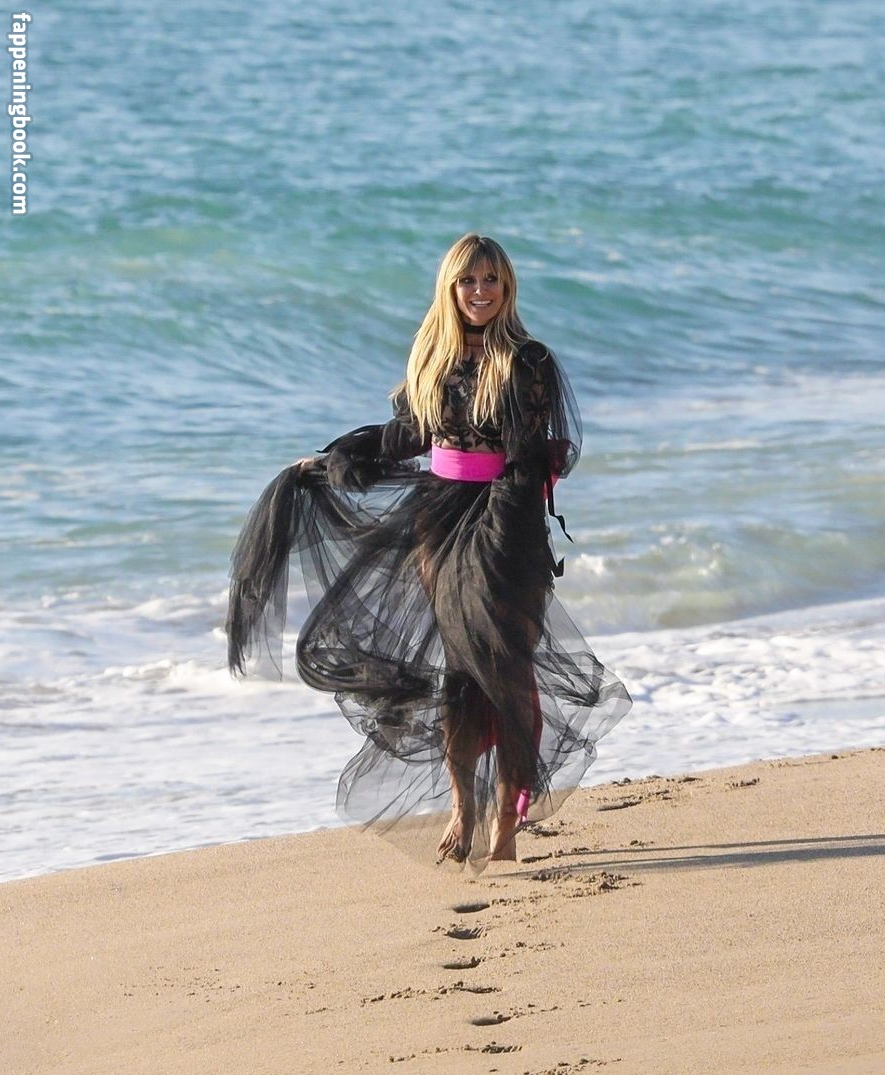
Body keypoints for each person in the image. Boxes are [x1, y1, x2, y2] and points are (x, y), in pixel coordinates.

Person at [227, 234, 632, 873]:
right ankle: (462, 808)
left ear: (507, 287)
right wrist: (338, 457)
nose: (480, 292)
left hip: (507, 526)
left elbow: (528, 459)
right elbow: (411, 435)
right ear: (450, 288)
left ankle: (506, 821)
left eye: (491, 280)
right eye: (468, 281)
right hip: (439, 522)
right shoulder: (434, 358)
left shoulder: (527, 360)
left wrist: (499, 535)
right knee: (459, 671)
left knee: (508, 670)